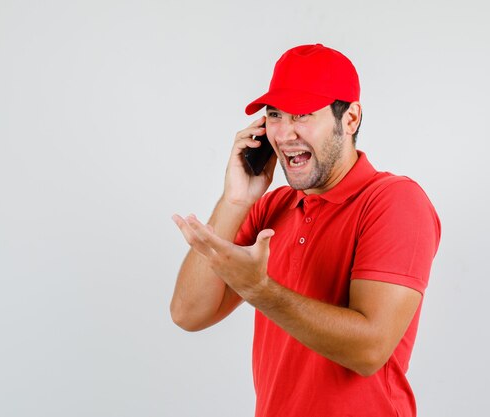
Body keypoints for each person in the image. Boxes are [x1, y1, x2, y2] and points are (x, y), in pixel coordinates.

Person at [170, 43, 441, 417]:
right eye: (276, 115)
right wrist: (235, 201)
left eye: (302, 115)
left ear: (350, 119)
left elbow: (370, 350)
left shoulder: (394, 201)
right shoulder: (272, 206)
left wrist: (259, 290)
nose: (283, 134)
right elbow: (189, 313)